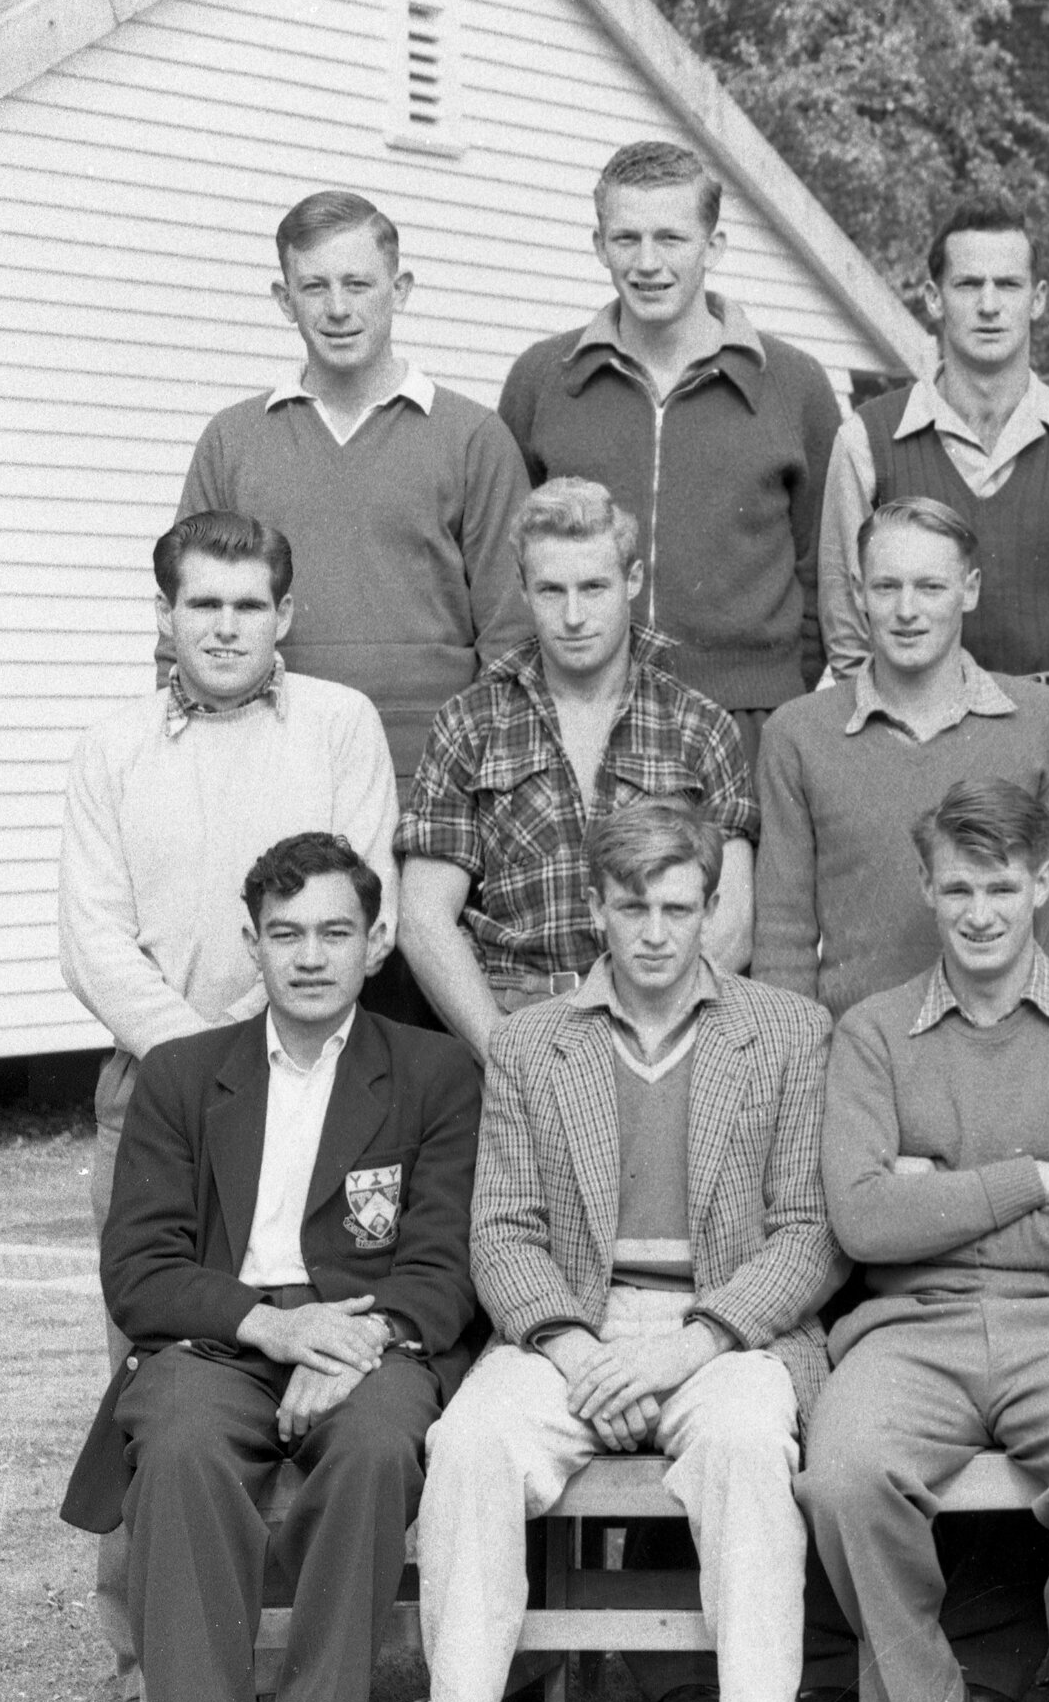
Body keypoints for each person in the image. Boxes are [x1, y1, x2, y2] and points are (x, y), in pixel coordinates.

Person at [397, 802, 840, 1702]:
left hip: (725, 1331)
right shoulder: (533, 1042)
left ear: (711, 909)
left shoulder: (785, 1032)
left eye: (677, 907)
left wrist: (695, 1340)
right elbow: (502, 1230)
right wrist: (574, 1344)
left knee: (742, 1445)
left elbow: (809, 1232)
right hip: (576, 1330)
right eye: (631, 905)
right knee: (469, 1442)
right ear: (595, 906)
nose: (653, 931)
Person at [63, 834, 481, 1702]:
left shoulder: (432, 1073)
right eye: (285, 934)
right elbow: (142, 1272)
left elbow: (445, 1260)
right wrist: (271, 1326)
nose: (309, 956)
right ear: (252, 944)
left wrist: (370, 1336)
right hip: (223, 1334)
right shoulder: (181, 1076)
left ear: (376, 941)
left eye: (334, 932)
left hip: (367, 1332)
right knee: (186, 1442)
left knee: (383, 1439)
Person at [52, 512, 399, 1702]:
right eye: (202, 604)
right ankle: (152, 1661)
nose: (225, 626)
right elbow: (92, 935)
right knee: (154, 1366)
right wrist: (197, 1056)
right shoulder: (110, 749)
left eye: (249, 605)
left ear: (284, 616)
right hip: (153, 1081)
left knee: (324, 1350)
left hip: (304, 1062)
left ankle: (331, 1643)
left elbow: (370, 906)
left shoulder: (339, 726)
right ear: (163, 615)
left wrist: (266, 1033)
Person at [800, 781, 1049, 1702]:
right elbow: (866, 1224)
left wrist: (940, 1189)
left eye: (1002, 885)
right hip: (912, 1329)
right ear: (925, 887)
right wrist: (1035, 1177)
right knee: (843, 1472)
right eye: (957, 887)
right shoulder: (873, 1033)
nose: (980, 912)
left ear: (1043, 882)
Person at [177, 188, 529, 789]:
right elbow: (189, 619)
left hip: (437, 772)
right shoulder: (232, 441)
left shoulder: (473, 437)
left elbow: (513, 632)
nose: (338, 308)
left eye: (358, 284)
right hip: (270, 764)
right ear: (284, 300)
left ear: (401, 288)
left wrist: (495, 773)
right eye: (315, 287)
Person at [397, 478, 758, 1057]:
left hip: (663, 1026)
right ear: (522, 589)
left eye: (593, 587)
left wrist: (657, 1041)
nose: (572, 616)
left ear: (632, 581)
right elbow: (422, 920)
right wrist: (505, 1052)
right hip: (518, 1016)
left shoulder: (699, 725)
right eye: (550, 590)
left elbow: (732, 916)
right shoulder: (470, 722)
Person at [497, 139, 844, 738]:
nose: (647, 263)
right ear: (599, 245)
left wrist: (770, 687)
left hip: (749, 717)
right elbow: (512, 558)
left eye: (671, 239)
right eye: (626, 239)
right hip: (580, 712)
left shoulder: (794, 385)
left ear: (714, 246)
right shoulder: (542, 378)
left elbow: (824, 567)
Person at [754, 495, 1049, 1012]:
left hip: (1008, 1046)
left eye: (931, 587)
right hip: (857, 1056)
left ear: (970, 590)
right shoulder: (799, 734)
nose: (906, 611)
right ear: (858, 592)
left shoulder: (1044, 721)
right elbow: (783, 940)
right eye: (887, 586)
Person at [818, 190, 1049, 691]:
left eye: (1008, 285)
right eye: (968, 284)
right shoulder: (866, 441)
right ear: (933, 297)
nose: (989, 306)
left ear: (1038, 299)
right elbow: (847, 627)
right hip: (912, 739)